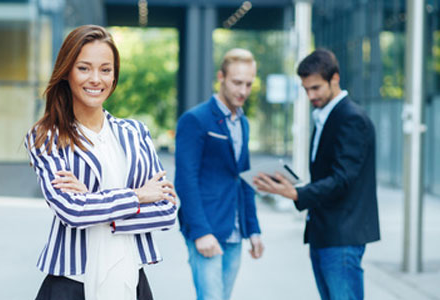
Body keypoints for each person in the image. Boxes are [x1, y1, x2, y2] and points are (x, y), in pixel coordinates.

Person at [25, 24, 177, 300]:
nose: (96, 79)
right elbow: (71, 211)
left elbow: (166, 210)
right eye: (84, 68)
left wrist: (97, 206)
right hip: (72, 283)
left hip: (131, 278)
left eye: (105, 70)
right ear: (66, 72)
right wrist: (138, 196)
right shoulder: (47, 136)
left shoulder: (135, 133)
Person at [253, 49, 380, 300]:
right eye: (306, 89)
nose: (311, 95)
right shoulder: (328, 115)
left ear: (335, 78)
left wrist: (297, 193)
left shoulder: (351, 118)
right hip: (325, 232)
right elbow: (331, 174)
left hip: (342, 236)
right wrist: (290, 185)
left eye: (316, 88)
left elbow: (343, 179)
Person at [175, 48, 264, 300]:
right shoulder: (195, 119)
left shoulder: (243, 122)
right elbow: (185, 180)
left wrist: (253, 229)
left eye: (248, 84)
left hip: (235, 229)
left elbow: (244, 178)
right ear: (221, 77)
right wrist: (201, 232)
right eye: (237, 82)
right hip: (207, 228)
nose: (243, 91)